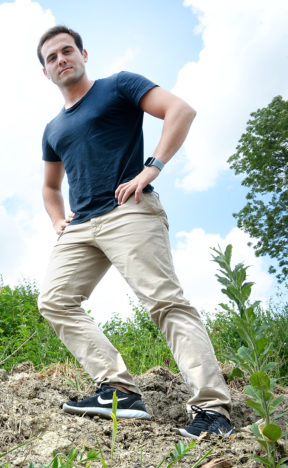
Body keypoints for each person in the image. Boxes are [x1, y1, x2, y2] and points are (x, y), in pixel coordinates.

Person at [35, 25, 233, 438]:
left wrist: (152, 167)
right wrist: (58, 220)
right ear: (45, 72)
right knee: (55, 300)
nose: (61, 60)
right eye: (51, 58)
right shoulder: (53, 130)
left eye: (66, 51)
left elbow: (181, 110)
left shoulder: (118, 87)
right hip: (83, 224)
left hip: (129, 210)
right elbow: (51, 187)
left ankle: (213, 411)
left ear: (83, 54)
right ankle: (118, 389)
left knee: (164, 302)